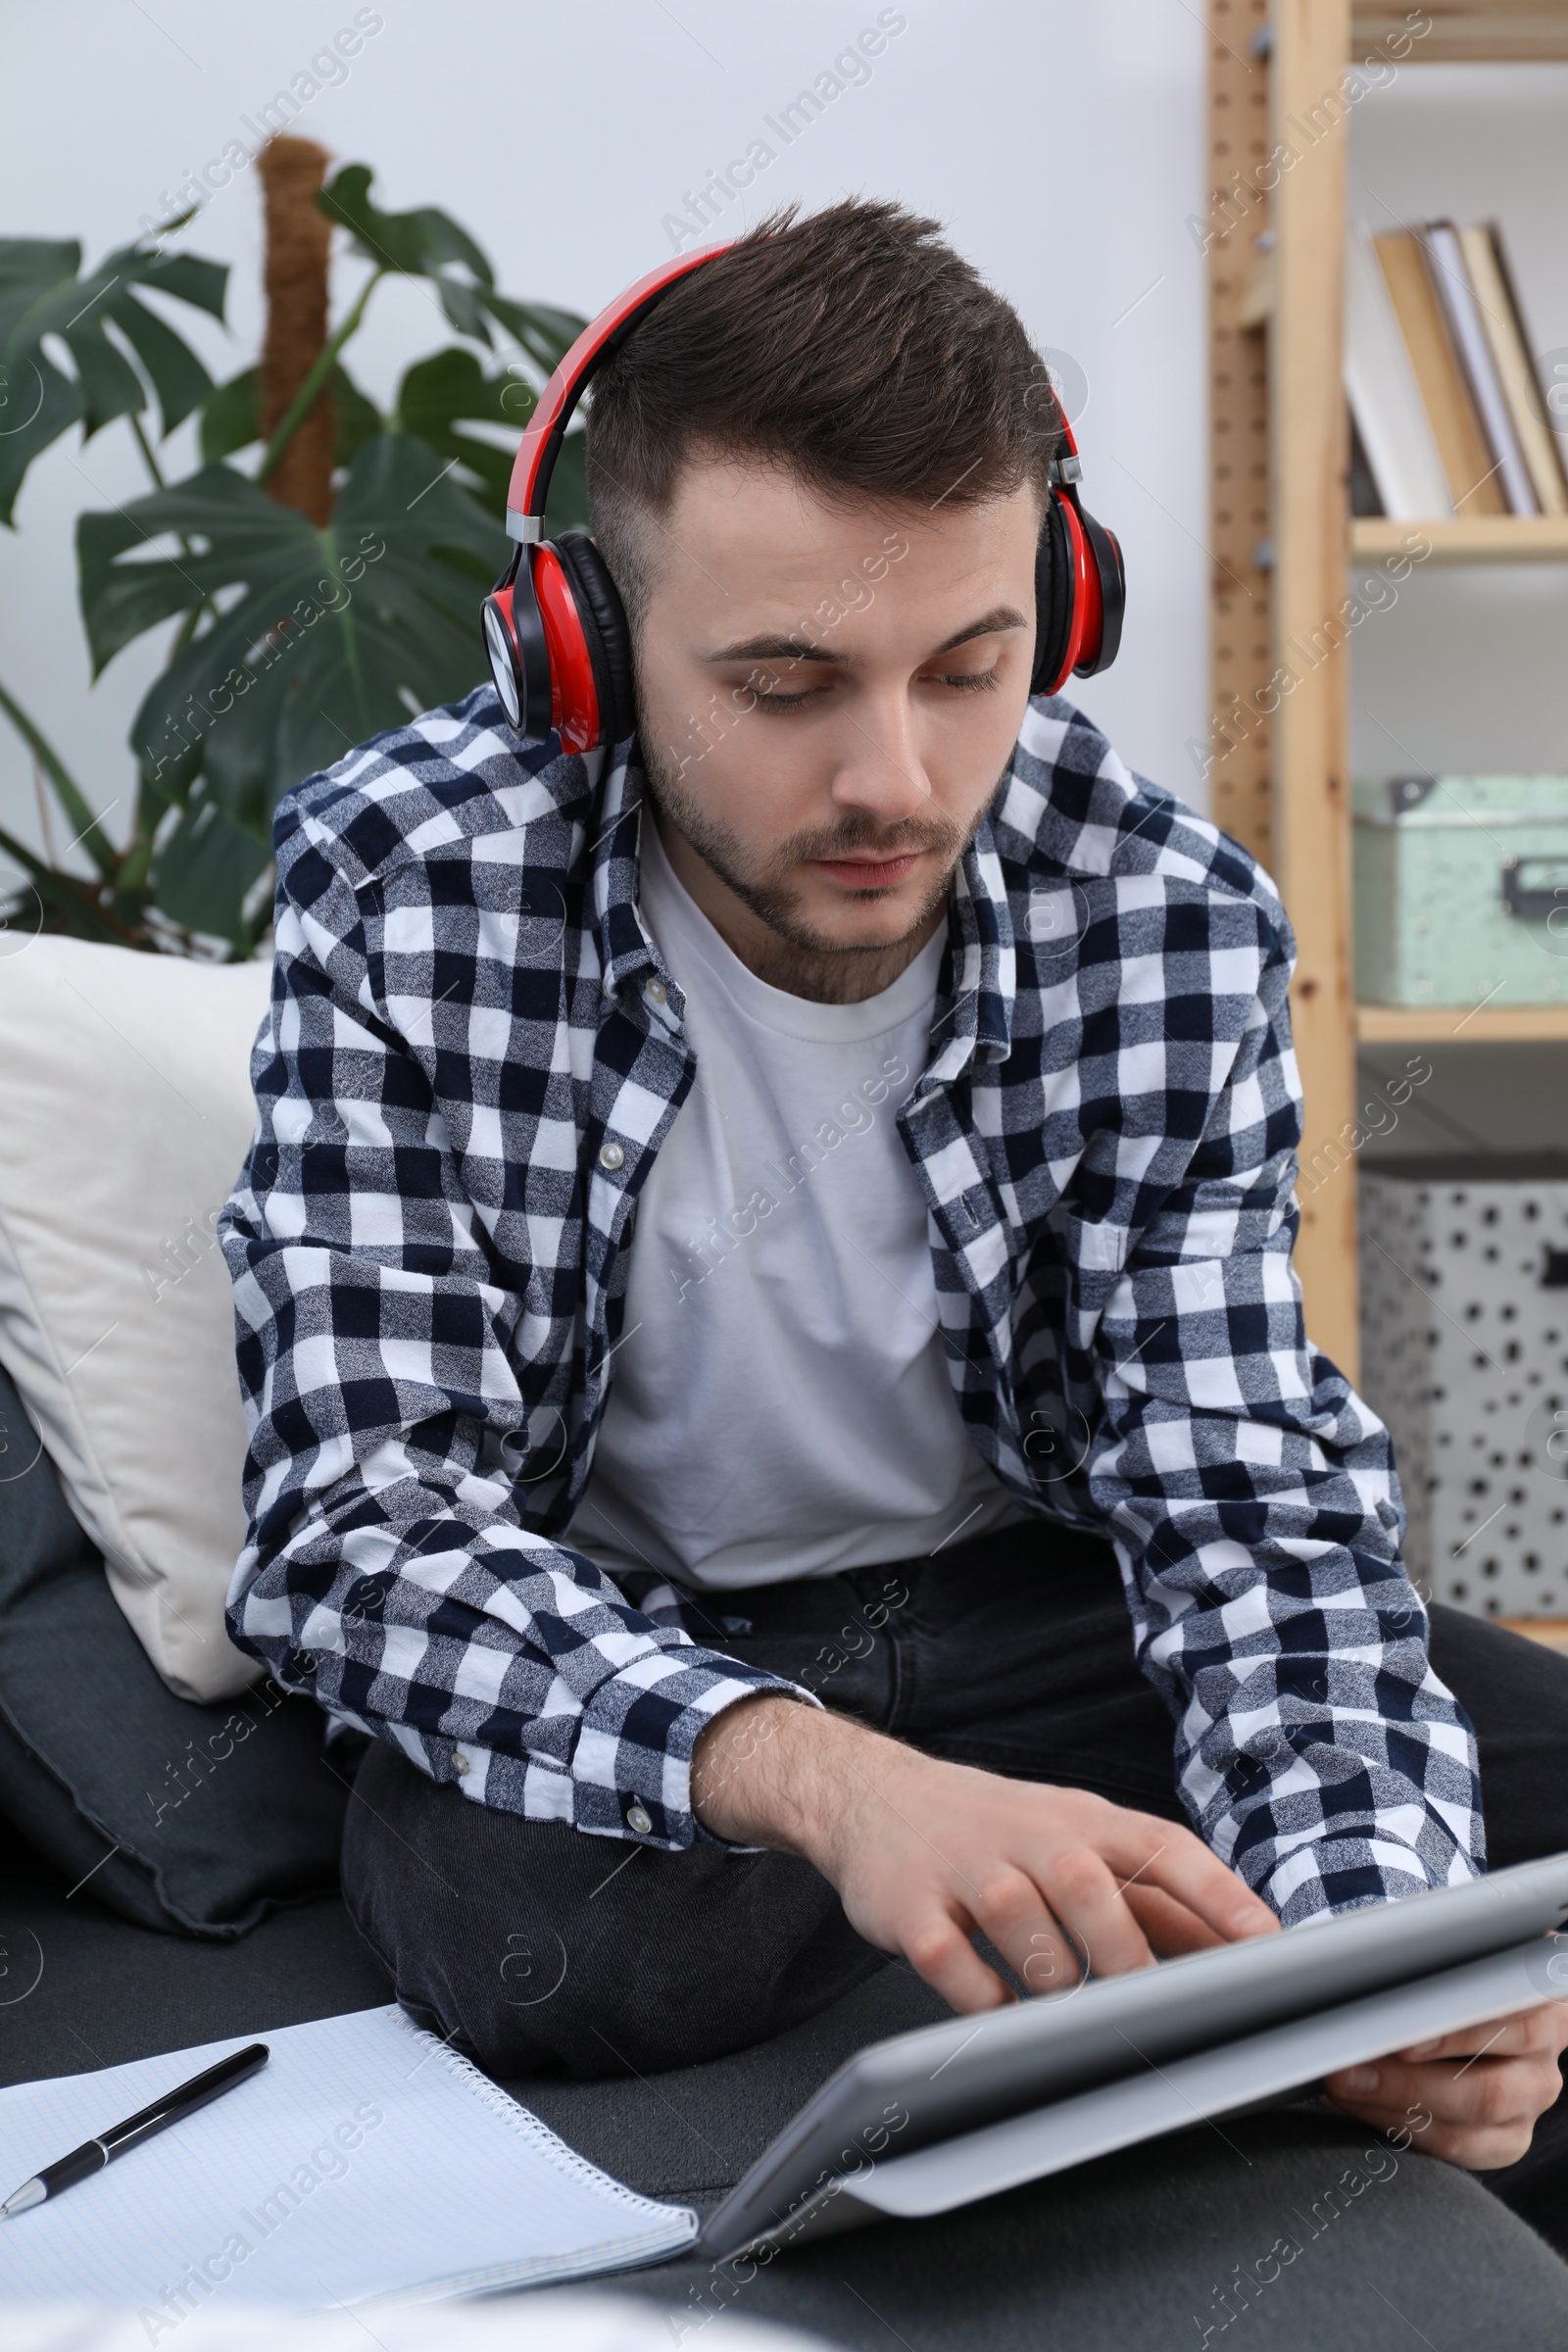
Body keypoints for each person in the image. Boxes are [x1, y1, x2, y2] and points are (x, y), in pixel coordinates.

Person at [219, 202, 1568, 2220]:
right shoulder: (412, 895)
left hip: (1030, 1605)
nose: (896, 777)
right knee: (550, 1931)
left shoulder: (1158, 918)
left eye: (969, 665)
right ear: (577, 643)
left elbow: (1235, 1489)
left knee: (1486, 1817)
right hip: (652, 1650)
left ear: (1061, 604)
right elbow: (359, 1528)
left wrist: (1370, 1943)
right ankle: (1025, 1921)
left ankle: (1088, 1948)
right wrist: (837, 1791)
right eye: (783, 683)